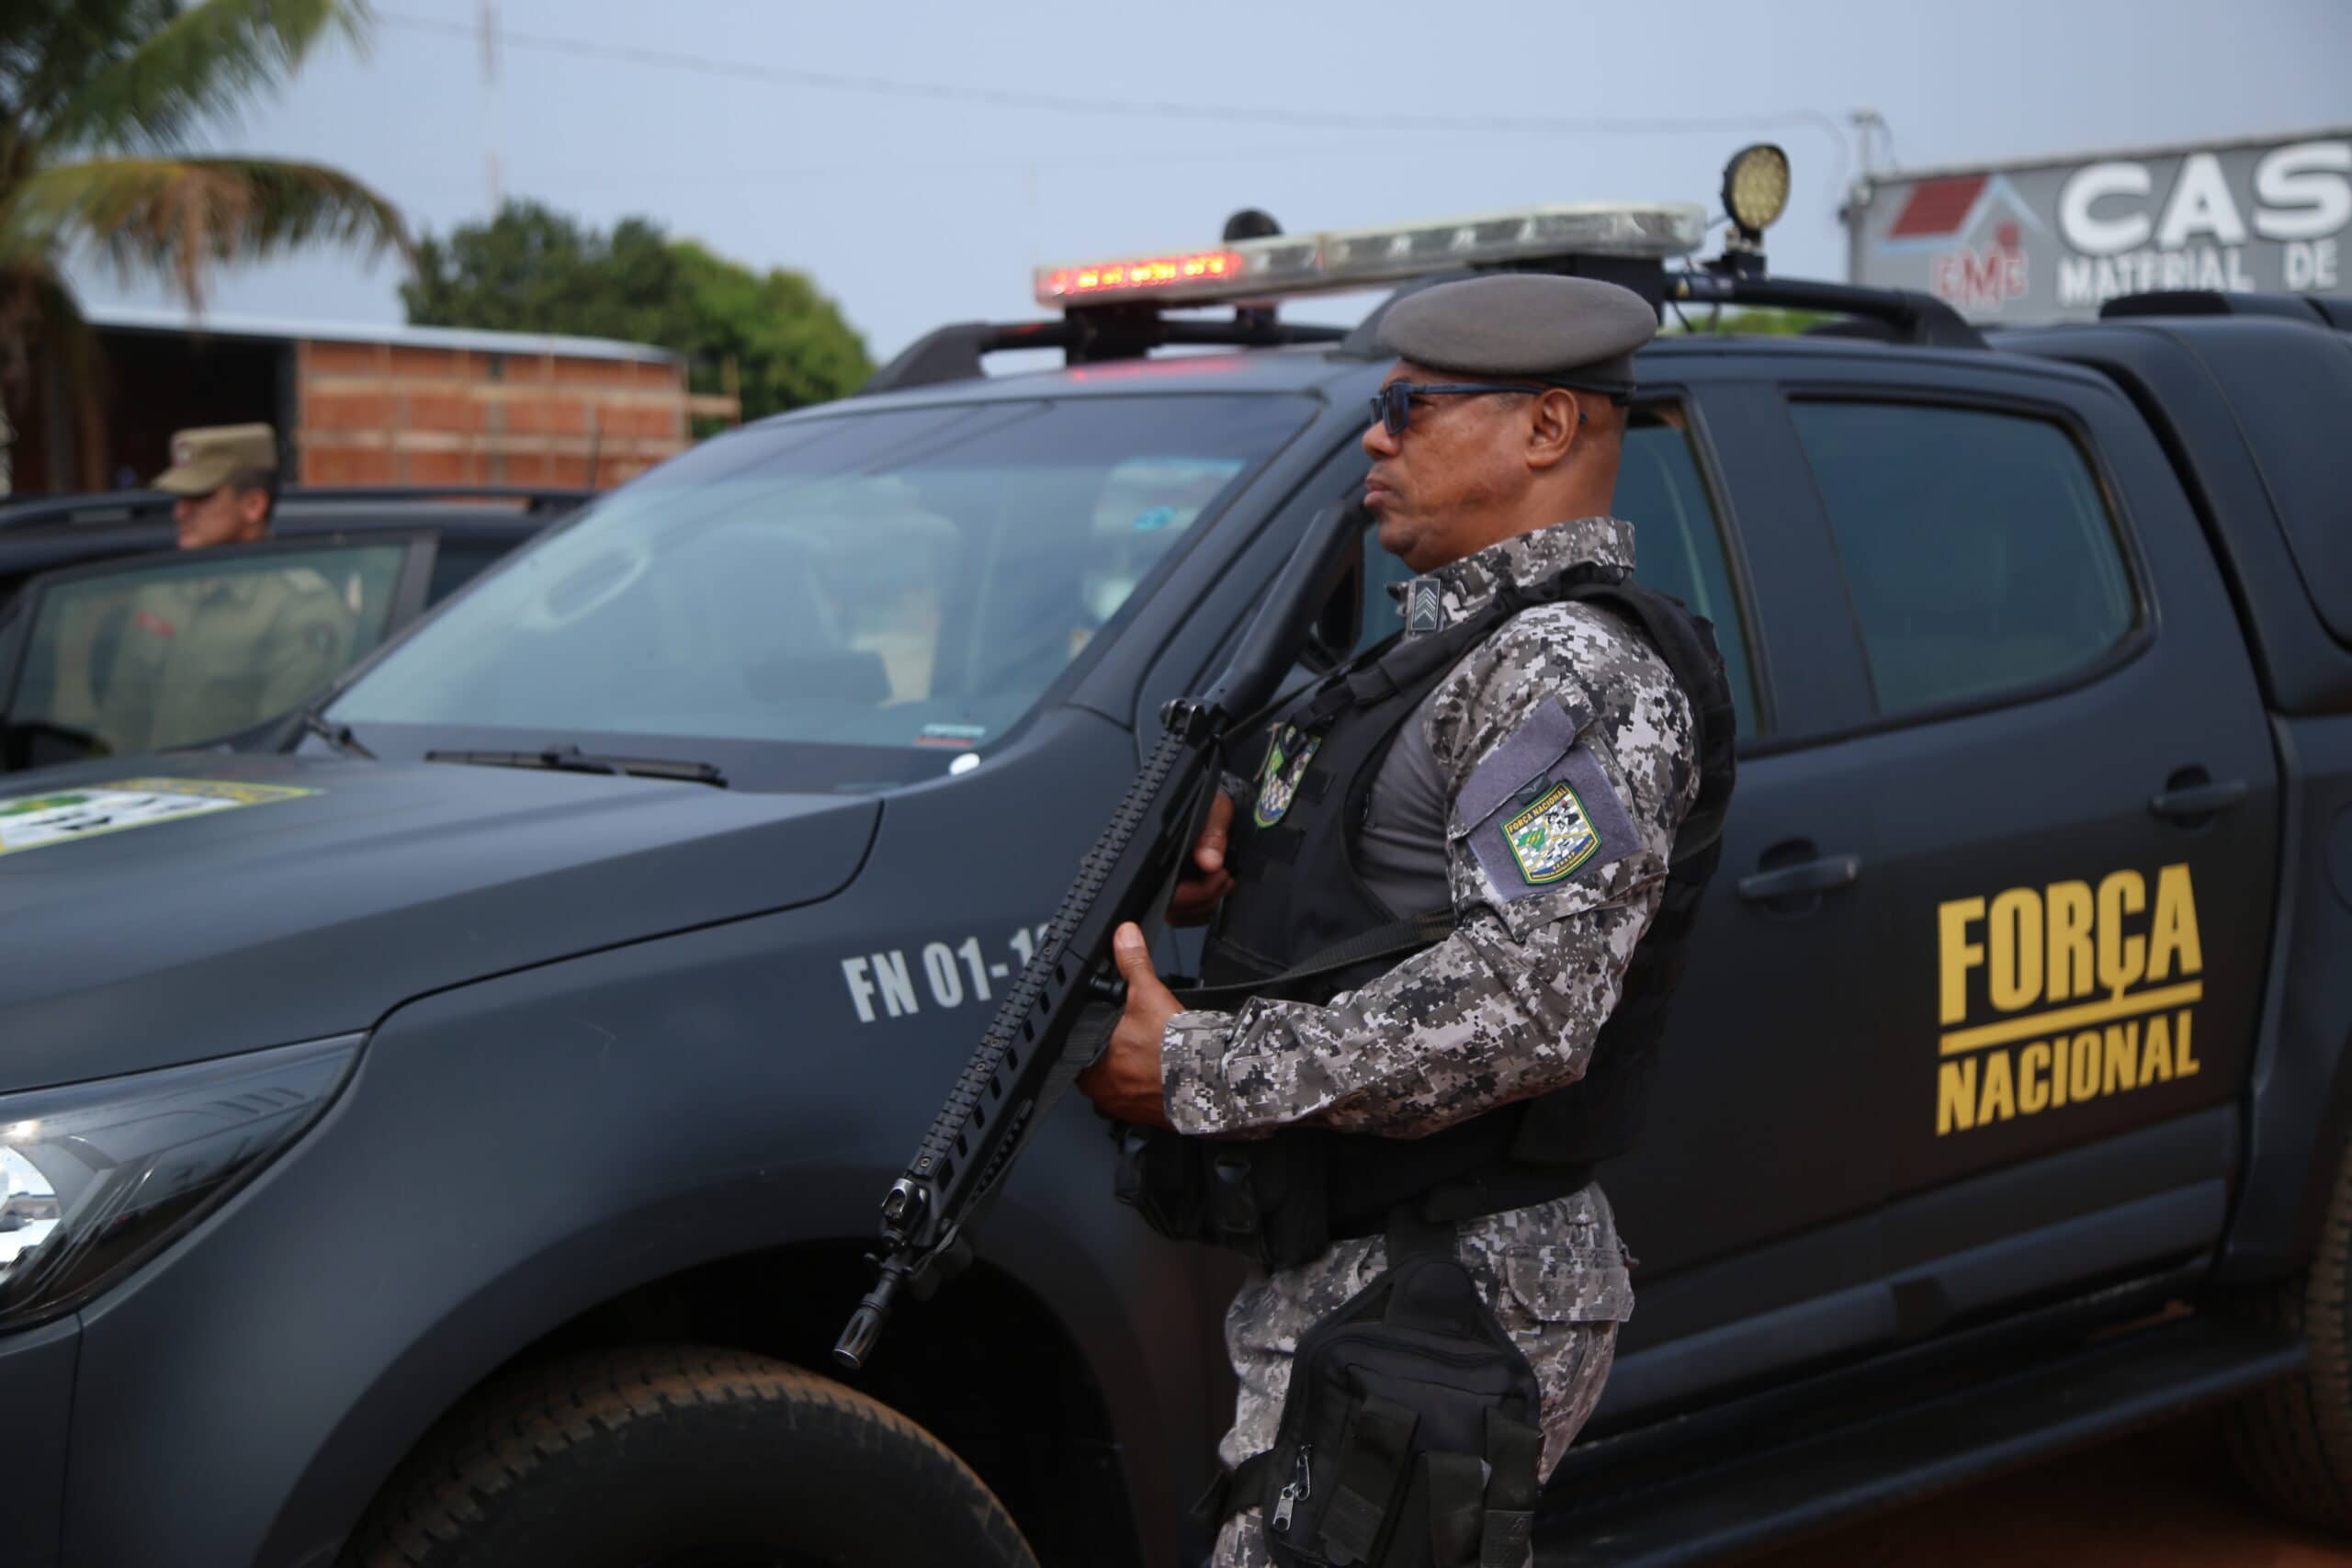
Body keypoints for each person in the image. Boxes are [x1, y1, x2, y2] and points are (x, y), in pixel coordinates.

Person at [1077, 273, 1733, 1566]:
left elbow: (1531, 1002)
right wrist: (1243, 847)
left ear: (1546, 426)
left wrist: (1200, 1066)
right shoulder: (1455, 646)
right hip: (1373, 1267)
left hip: (1451, 1280)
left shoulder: (1567, 667)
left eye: (1407, 407)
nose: (1374, 440)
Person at [92, 424, 356, 752]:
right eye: (180, 499)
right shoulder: (162, 591)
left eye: (200, 497)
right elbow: (121, 723)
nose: (180, 512)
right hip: (147, 780)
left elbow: (282, 745)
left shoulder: (299, 606)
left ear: (253, 506)